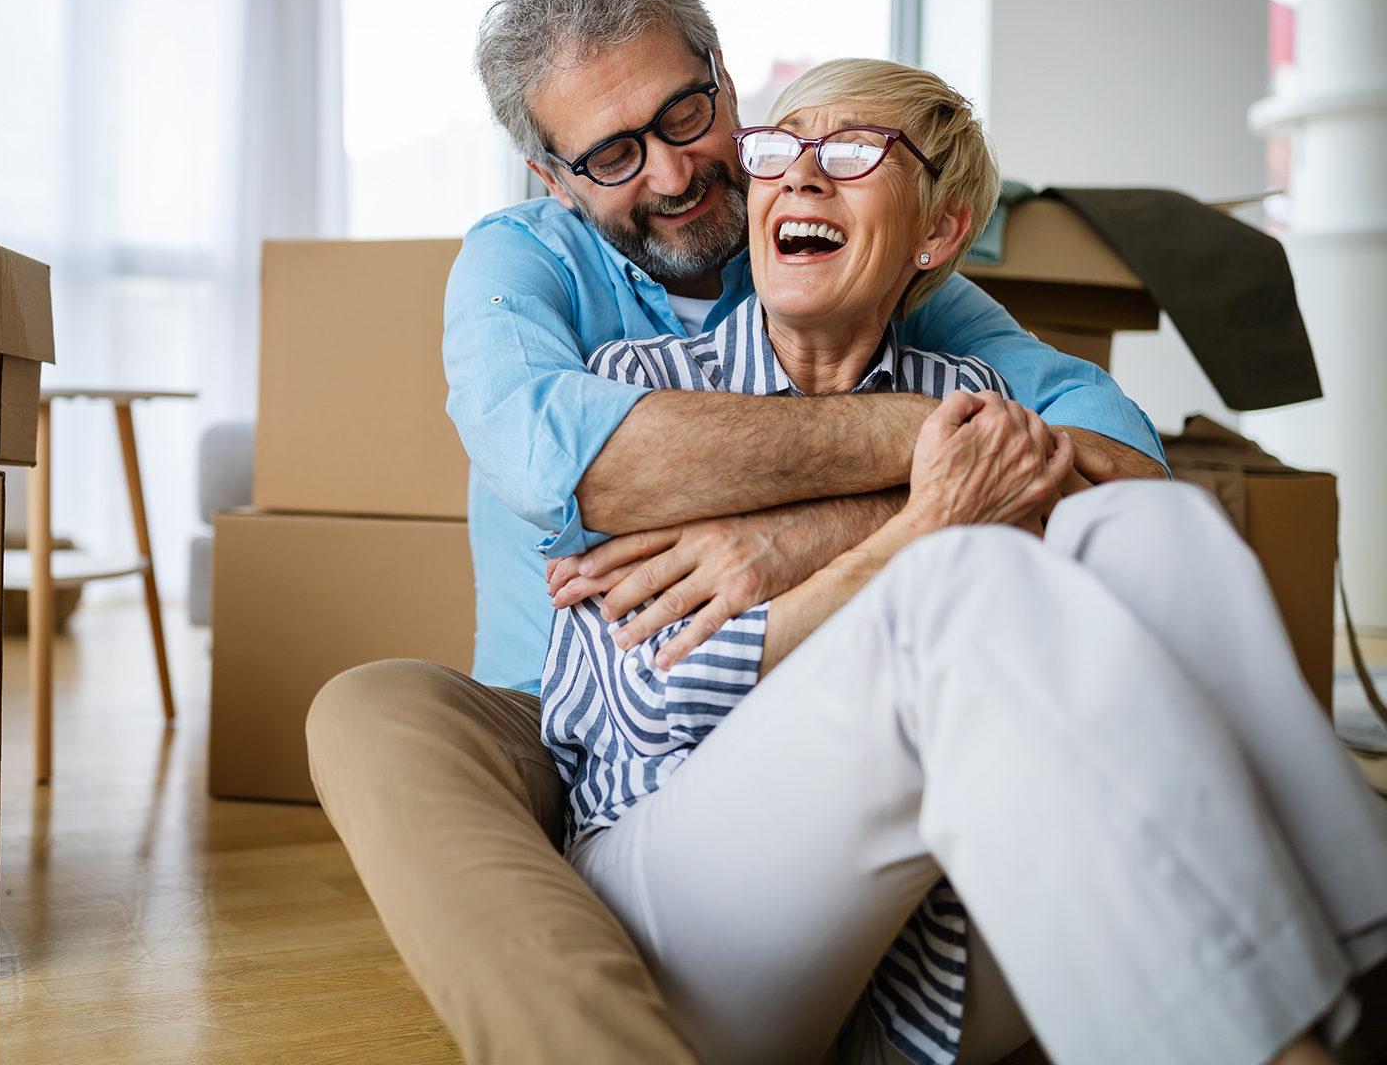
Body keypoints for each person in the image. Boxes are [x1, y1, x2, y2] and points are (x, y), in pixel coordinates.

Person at [308, 0, 1157, 1063]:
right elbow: (565, 465)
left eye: (683, 113)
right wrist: (926, 440)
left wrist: (815, 527)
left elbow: (1121, 464)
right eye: (612, 153)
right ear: (553, 178)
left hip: (819, 695)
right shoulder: (520, 264)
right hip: (559, 713)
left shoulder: (828, 232)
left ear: (723, 74)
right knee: (373, 712)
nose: (669, 173)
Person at [535, 56, 1387, 1065]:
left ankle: (1363, 973)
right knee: (963, 577)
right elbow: (647, 696)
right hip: (683, 908)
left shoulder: (969, 394)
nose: (802, 175)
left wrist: (843, 535)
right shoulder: (640, 390)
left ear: (940, 230)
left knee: (1155, 532)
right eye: (779, 147)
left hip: (926, 942)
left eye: (851, 152)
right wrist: (916, 529)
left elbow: (1116, 517)